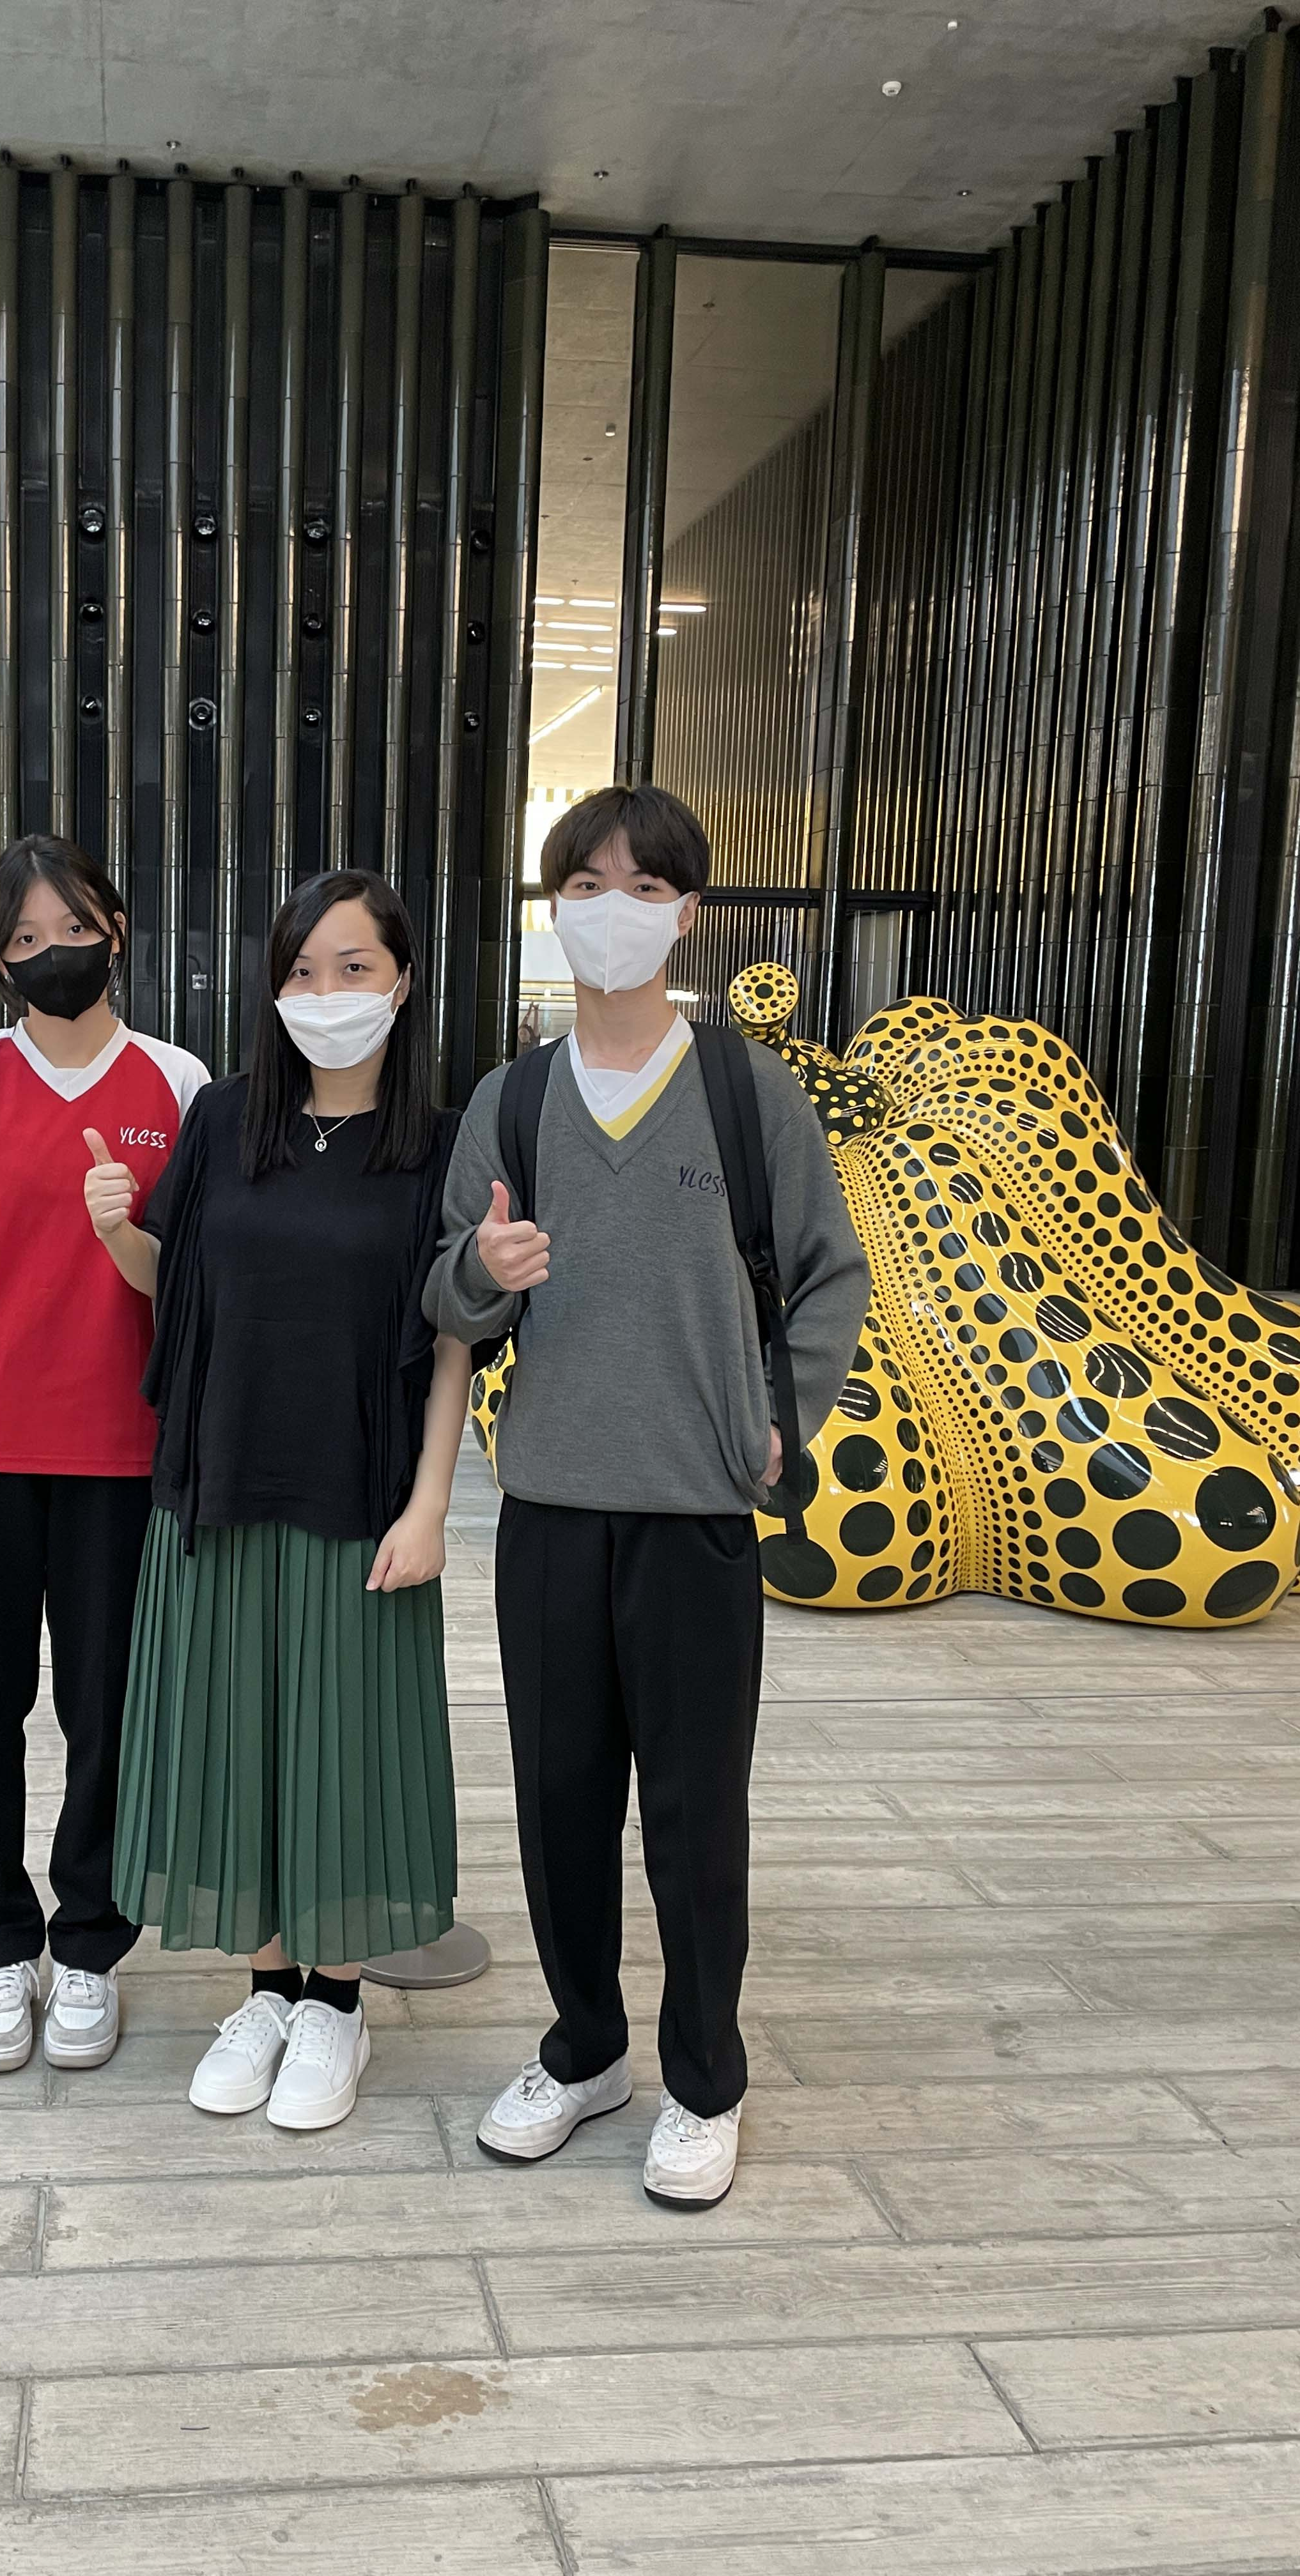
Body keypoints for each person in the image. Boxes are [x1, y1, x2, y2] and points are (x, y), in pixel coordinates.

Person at [424, 785, 868, 2206]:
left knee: (693, 1814)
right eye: (585, 885)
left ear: (687, 914)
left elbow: (830, 1271)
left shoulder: (747, 1092)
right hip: (551, 1508)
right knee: (560, 1804)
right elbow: (446, 1294)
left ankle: (705, 2080)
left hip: (696, 1515)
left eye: (644, 886)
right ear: (553, 910)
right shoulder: (512, 1100)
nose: (611, 909)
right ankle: (585, 2050)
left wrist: (783, 1414)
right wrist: (481, 1275)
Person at [91, 869, 471, 2132]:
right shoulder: (224, 1119)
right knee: (239, 1744)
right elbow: (178, 1282)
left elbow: (454, 1339)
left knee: (340, 1752)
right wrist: (115, 1230)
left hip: (359, 1497)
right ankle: (266, 1992)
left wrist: (430, 1506)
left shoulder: (439, 1144)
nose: (326, 993)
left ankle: (337, 2006)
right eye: (303, 971)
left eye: (353, 967)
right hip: (219, 1481)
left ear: (402, 982)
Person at [0, 834, 209, 2078]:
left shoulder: (179, 1084)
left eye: (72, 929)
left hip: (123, 1450)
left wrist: (121, 1235)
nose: (52, 954)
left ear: (116, 933)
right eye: (23, 939)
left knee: (108, 1711)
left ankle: (88, 1946)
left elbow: (184, 1284)